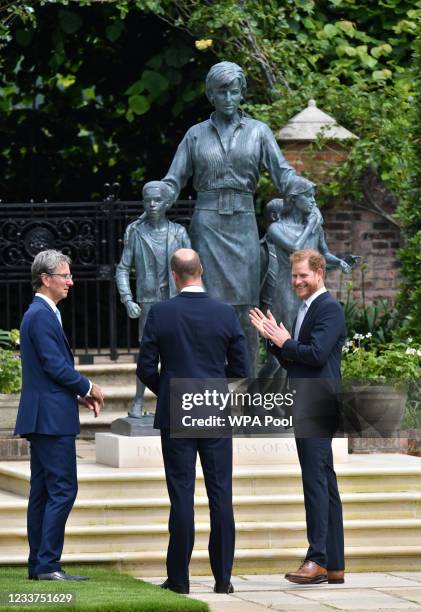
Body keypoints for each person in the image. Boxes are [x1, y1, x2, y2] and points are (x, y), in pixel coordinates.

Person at [162, 61, 298, 371]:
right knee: (203, 301)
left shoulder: (258, 132)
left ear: (242, 94)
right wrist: (158, 201)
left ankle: (244, 378)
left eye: (233, 92)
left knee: (246, 304)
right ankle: (206, 377)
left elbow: (283, 173)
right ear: (210, 94)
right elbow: (174, 180)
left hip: (243, 224)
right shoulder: (195, 135)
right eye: (220, 92)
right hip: (207, 225)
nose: (227, 98)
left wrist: (302, 191)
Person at [137, 248, 250, 595]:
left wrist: (172, 391)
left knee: (181, 495)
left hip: (178, 410)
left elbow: (145, 369)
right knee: (221, 494)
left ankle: (179, 579)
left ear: (174, 274)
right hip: (215, 407)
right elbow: (242, 370)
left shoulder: (160, 313)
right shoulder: (225, 314)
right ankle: (223, 579)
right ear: (201, 270)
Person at [249, 249, 346, 585]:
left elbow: (317, 355)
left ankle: (317, 559)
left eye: (303, 275)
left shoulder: (328, 308)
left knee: (315, 483)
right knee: (325, 483)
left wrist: (285, 340)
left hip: (318, 403)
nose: (297, 281)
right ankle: (334, 564)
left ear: (319, 273)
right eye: (293, 276)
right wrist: (275, 342)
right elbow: (298, 360)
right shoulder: (308, 308)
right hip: (309, 401)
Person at [14, 249, 104, 581]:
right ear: (46, 279)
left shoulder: (42, 312)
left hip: (48, 414)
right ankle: (47, 564)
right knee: (63, 489)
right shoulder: (40, 314)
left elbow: (49, 370)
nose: (71, 281)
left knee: (44, 491)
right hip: (50, 420)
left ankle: (40, 564)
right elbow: (54, 366)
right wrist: (88, 386)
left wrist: (77, 394)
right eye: (65, 275)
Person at [116, 180, 190, 417]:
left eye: (157, 199)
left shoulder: (179, 233)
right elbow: (122, 268)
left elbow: (194, 269)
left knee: (177, 352)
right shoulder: (135, 232)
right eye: (147, 200)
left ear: (167, 202)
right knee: (148, 354)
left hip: (176, 301)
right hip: (148, 302)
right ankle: (138, 400)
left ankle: (175, 402)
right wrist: (127, 299)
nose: (152, 204)